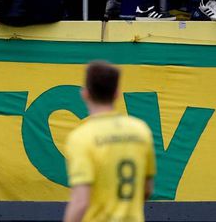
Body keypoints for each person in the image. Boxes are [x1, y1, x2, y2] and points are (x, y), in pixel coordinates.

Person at [62, 60, 155, 222]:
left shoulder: (81, 137)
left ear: (85, 94)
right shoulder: (141, 130)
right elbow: (147, 189)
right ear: (117, 93)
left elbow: (81, 201)